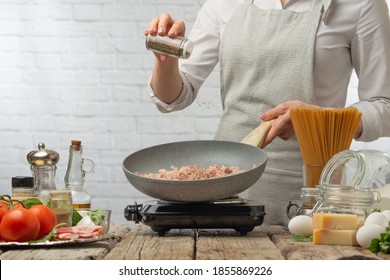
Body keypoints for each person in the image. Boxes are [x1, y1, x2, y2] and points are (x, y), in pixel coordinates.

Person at [144, 0, 390, 226]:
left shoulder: (361, 4)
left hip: (312, 190)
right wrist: (166, 61)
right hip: (227, 185)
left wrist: (317, 119)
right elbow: (174, 98)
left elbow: (385, 105)